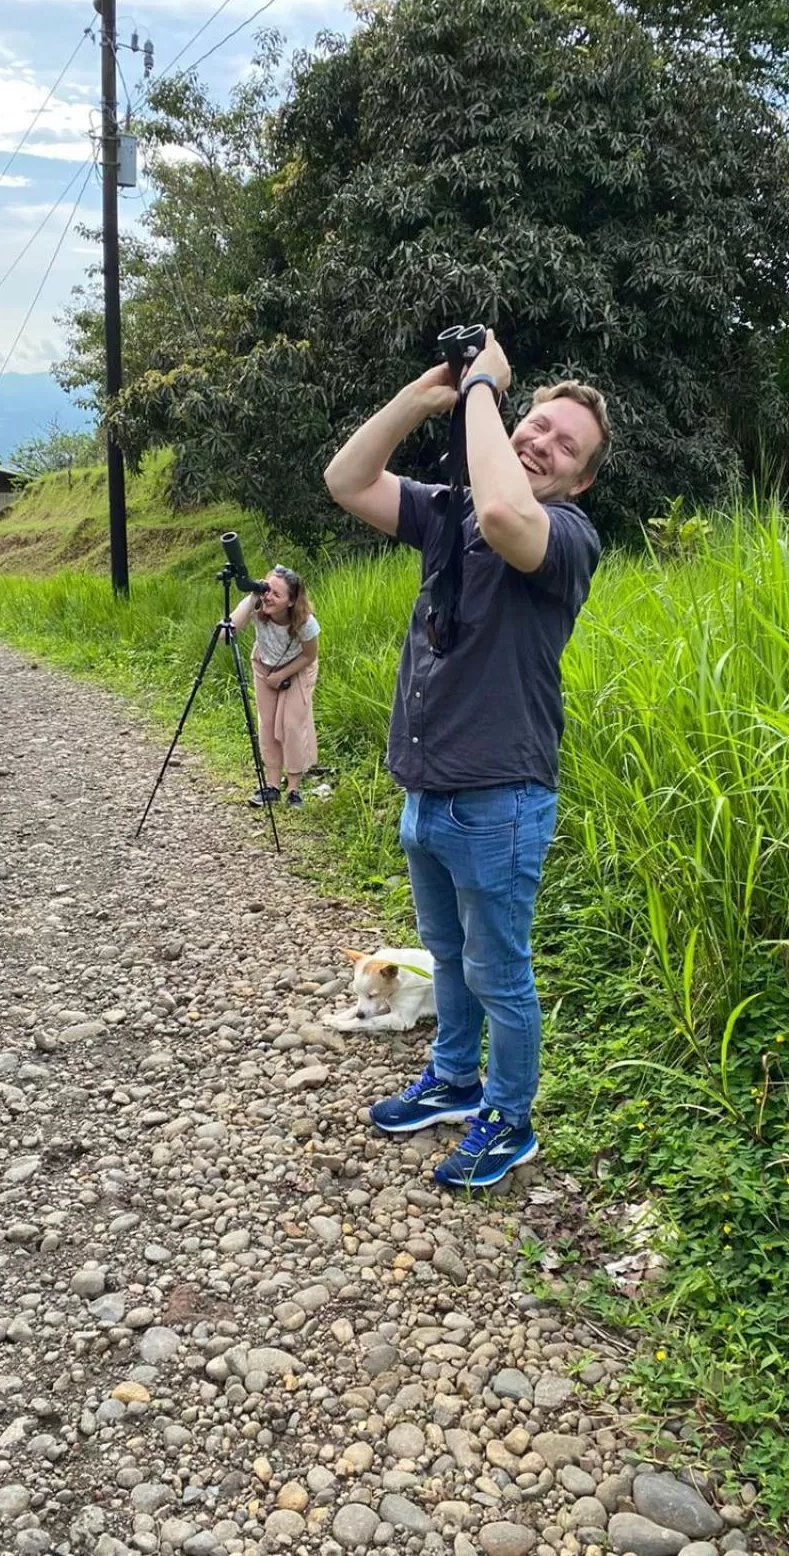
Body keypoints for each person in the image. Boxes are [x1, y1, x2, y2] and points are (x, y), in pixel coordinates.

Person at [324, 329, 611, 1189]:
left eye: (567, 444)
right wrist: (425, 397)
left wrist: (485, 390)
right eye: (538, 424)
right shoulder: (453, 508)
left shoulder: (564, 535)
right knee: (447, 957)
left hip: (501, 800)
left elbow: (504, 514)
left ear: (582, 478)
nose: (542, 443)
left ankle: (509, 1118)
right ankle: (453, 1080)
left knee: (499, 971)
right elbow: (346, 481)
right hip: (429, 790)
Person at [231, 564, 320, 808]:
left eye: (276, 594)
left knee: (291, 724)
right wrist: (252, 597)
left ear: (291, 602)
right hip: (264, 665)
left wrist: (282, 675)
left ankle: (293, 789)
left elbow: (309, 656)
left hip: (298, 668)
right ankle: (271, 786)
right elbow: (227, 632)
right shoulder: (258, 605)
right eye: (267, 589)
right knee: (268, 725)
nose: (268, 596)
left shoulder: (305, 621)